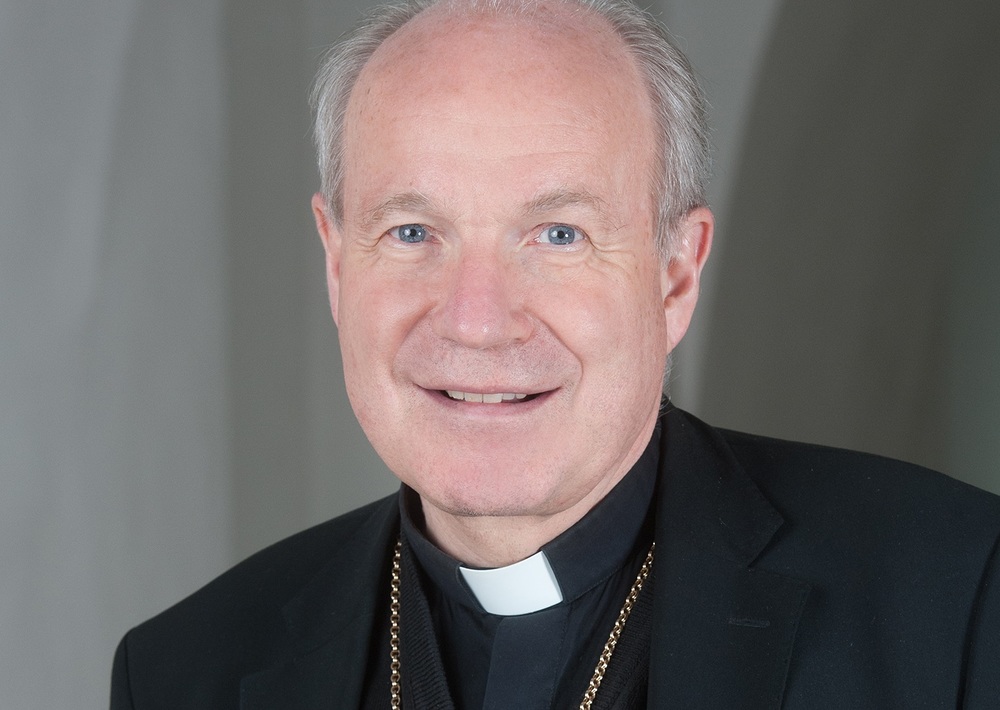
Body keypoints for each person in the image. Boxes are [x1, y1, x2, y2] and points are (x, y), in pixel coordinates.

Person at [110, 0, 1000, 707]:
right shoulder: (187, 672)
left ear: (675, 276)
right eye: (413, 232)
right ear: (338, 266)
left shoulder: (957, 598)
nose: (477, 321)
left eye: (559, 234)